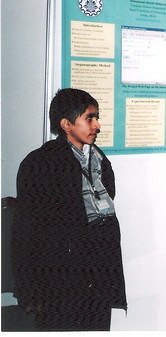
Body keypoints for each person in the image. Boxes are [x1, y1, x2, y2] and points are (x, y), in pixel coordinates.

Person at [11, 88, 127, 331]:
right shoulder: (40, 163)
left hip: (98, 270)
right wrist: (29, 289)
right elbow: (25, 230)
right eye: (89, 118)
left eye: (97, 118)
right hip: (60, 277)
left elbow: (107, 200)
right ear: (66, 124)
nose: (97, 125)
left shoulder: (99, 160)